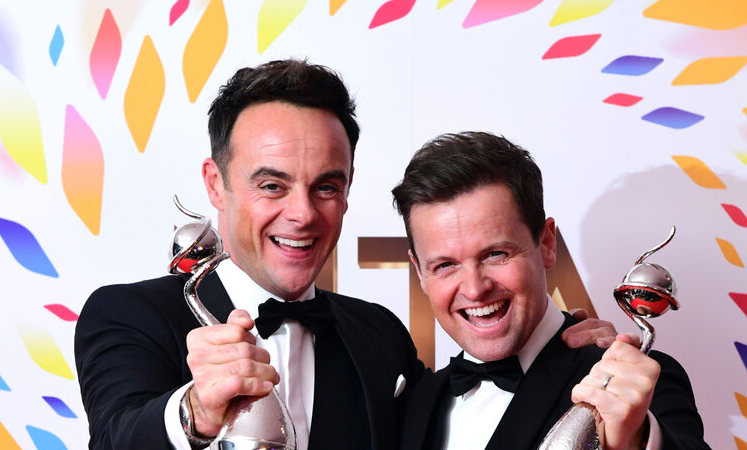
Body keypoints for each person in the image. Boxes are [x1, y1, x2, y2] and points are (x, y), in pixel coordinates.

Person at [74, 61, 617, 450]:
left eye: (326, 187)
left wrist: (572, 353)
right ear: (216, 183)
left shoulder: (378, 336)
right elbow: (119, 434)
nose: (302, 214)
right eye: (272, 185)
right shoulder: (131, 316)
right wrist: (195, 410)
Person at [392, 131, 709, 450]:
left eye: (496, 254)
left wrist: (636, 438)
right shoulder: (411, 405)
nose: (475, 289)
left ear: (546, 243)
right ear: (419, 272)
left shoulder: (632, 383)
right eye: (445, 265)